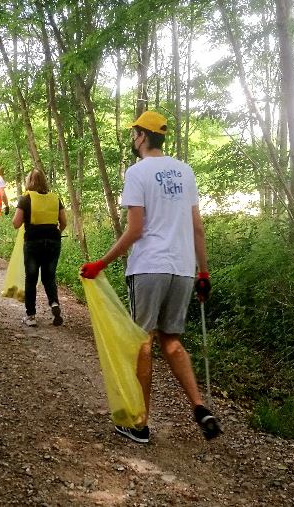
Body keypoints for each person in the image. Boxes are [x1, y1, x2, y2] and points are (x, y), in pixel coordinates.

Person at [80, 110, 222, 444]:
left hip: (148, 268)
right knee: (171, 341)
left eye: (134, 134)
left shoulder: (138, 172)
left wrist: (102, 262)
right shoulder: (185, 171)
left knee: (143, 342)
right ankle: (200, 405)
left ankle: (139, 424)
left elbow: (135, 229)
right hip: (183, 269)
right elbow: (197, 227)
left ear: (143, 136)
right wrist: (203, 272)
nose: (133, 139)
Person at [12, 170, 67, 327]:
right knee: (49, 277)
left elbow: (16, 223)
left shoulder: (26, 199)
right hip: (53, 242)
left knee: (31, 278)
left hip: (33, 242)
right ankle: (54, 304)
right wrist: (55, 233)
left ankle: (31, 316)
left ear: (28, 181)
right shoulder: (55, 199)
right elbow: (64, 222)